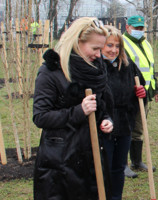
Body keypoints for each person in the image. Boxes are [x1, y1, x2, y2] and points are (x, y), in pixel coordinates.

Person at [32, 17, 114, 199]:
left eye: (101, 49)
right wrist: (79, 111)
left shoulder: (96, 71)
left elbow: (101, 108)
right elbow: (41, 116)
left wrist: (106, 120)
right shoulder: (50, 72)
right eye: (95, 49)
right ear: (77, 42)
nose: (99, 55)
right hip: (60, 163)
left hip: (91, 158)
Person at [100, 25, 147, 199]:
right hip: (104, 125)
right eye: (109, 45)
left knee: (118, 167)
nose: (113, 50)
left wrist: (141, 93)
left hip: (125, 123)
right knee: (105, 166)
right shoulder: (96, 67)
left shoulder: (127, 65)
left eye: (117, 46)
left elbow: (139, 85)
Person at [122, 15, 158, 178]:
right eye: (135, 28)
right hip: (127, 95)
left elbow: (150, 68)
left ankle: (136, 162)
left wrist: (156, 89)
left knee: (138, 128)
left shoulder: (146, 43)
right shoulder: (121, 43)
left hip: (144, 93)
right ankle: (122, 165)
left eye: (141, 28)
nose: (139, 31)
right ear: (127, 27)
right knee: (125, 128)